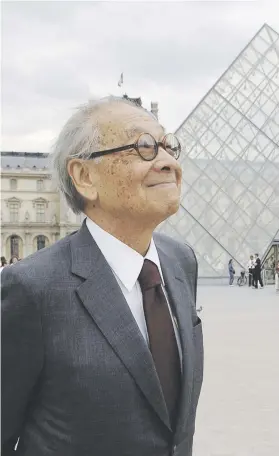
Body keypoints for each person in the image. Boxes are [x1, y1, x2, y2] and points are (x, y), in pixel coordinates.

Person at [1, 96, 203, 456]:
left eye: (169, 146)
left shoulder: (180, 261)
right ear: (84, 176)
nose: (170, 162)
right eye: (144, 147)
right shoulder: (30, 289)